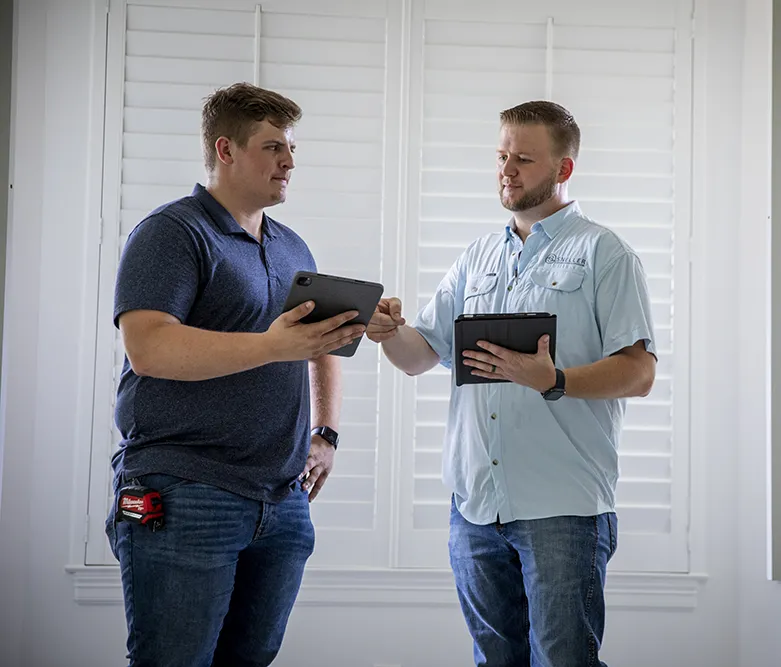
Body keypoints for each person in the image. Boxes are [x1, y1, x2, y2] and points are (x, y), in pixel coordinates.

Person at [367, 101, 657, 667]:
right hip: (474, 508)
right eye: (502, 156)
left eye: (523, 158)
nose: (507, 169)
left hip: (563, 510)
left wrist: (555, 380)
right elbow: (418, 357)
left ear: (563, 169)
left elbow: (640, 373)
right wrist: (387, 331)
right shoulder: (475, 258)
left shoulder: (605, 253)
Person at [105, 82, 365, 667]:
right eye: (274, 147)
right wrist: (271, 347)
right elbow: (149, 347)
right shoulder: (172, 233)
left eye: (291, 149)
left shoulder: (292, 247)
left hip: (282, 501)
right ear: (225, 150)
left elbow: (321, 348)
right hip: (185, 491)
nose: (289, 162)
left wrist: (326, 435)